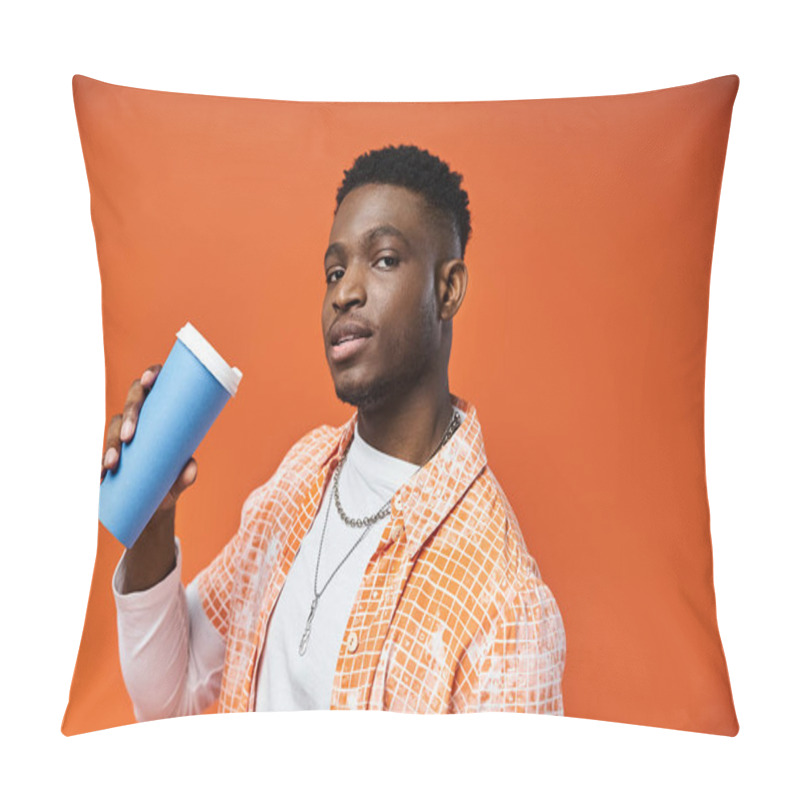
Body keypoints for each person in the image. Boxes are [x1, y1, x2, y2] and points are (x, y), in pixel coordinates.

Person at [105, 144, 566, 718]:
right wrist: (154, 512)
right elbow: (174, 694)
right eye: (334, 270)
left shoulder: (505, 606)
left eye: (385, 259)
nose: (344, 292)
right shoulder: (301, 477)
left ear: (447, 290)